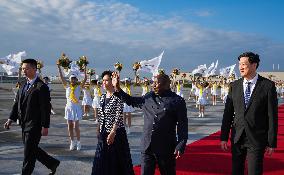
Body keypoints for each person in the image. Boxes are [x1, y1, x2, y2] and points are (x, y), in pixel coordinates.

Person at [112, 72, 188, 175]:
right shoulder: (148, 97)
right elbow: (131, 100)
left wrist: (181, 144)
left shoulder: (177, 101)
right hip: (147, 147)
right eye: (153, 82)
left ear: (166, 84)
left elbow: (182, 124)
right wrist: (117, 87)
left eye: (157, 82)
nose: (153, 84)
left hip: (166, 148)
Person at [220, 52, 278, 175]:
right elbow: (228, 113)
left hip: (257, 138)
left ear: (254, 65)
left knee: (254, 171)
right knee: (236, 170)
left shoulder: (267, 86)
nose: (240, 67)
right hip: (237, 137)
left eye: (244, 64)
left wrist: (271, 142)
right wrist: (224, 137)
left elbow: (272, 116)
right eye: (239, 64)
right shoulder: (234, 85)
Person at [3, 59, 60, 175]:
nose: (24, 71)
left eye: (27, 68)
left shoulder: (41, 87)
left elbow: (45, 108)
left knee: (28, 153)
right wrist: (10, 119)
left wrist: (45, 126)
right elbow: (17, 103)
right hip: (24, 123)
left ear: (35, 69)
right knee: (31, 149)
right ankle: (51, 163)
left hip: (35, 124)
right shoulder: (23, 83)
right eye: (23, 68)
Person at [91, 70, 134, 175]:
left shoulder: (118, 96)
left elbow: (119, 115)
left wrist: (113, 131)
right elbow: (101, 116)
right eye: (103, 81)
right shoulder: (102, 97)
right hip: (103, 133)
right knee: (101, 159)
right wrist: (98, 129)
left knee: (116, 161)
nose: (104, 83)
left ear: (112, 81)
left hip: (116, 134)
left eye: (106, 80)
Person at [57, 63, 87, 151]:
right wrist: (59, 68)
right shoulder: (67, 86)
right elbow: (61, 77)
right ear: (70, 80)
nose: (73, 80)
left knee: (76, 126)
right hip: (69, 107)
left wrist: (85, 69)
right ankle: (72, 142)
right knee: (69, 126)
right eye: (72, 79)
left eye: (74, 79)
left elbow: (85, 78)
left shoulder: (79, 87)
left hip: (76, 107)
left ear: (76, 79)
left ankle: (78, 142)